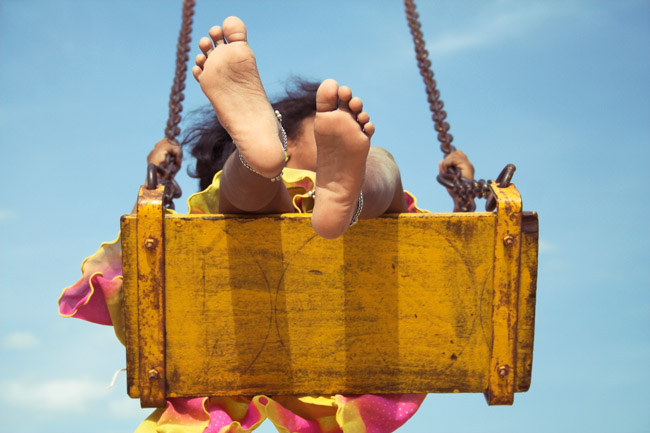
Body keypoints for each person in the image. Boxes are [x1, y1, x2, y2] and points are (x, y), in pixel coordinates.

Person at [60, 16, 475, 433]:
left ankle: (275, 169)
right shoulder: (245, 209)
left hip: (241, 354)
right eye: (324, 127)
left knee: (248, 199)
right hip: (340, 359)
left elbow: (150, 258)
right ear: (289, 143)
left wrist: (154, 177)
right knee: (379, 172)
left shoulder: (223, 209)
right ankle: (321, 182)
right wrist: (462, 198)